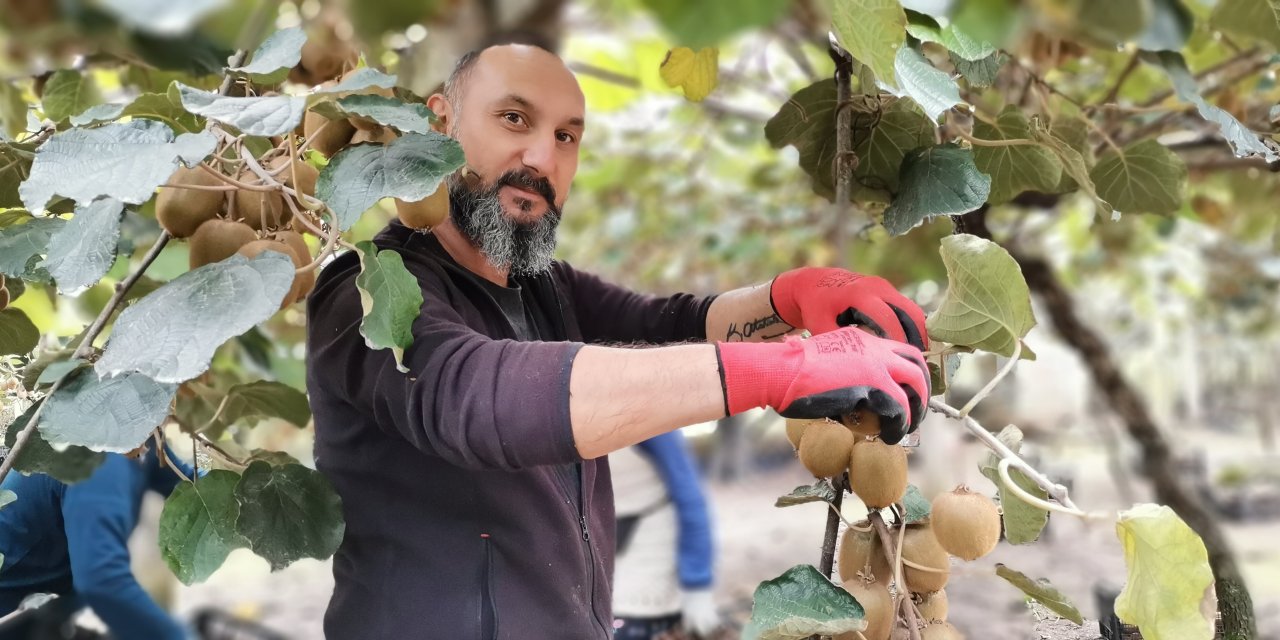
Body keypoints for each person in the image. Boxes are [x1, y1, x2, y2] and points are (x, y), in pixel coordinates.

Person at [305, 41, 929, 639]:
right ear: (441, 122)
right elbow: (478, 396)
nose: (543, 159)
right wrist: (781, 368)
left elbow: (666, 325)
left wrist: (790, 297)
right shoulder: (363, 294)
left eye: (566, 137)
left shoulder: (546, 289)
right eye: (513, 118)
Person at [0, 443, 194, 640]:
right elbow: (101, 580)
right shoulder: (101, 451)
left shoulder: (141, 432)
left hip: (51, 602)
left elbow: (187, 485)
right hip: (13, 615)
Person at [610, 431, 717, 639]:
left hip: (653, 541)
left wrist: (697, 584)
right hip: (602, 542)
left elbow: (689, 492)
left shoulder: (646, 412)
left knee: (628, 626)